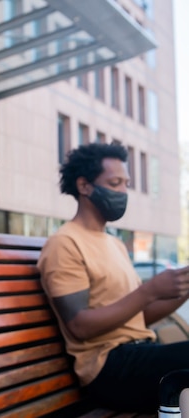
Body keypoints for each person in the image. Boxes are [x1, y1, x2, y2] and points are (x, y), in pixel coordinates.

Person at [37, 142, 189, 413]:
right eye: (115, 183)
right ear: (84, 186)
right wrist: (150, 290)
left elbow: (137, 317)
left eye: (125, 184)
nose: (123, 192)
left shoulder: (115, 244)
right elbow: (79, 326)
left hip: (140, 352)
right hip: (107, 367)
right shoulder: (64, 243)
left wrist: (185, 288)